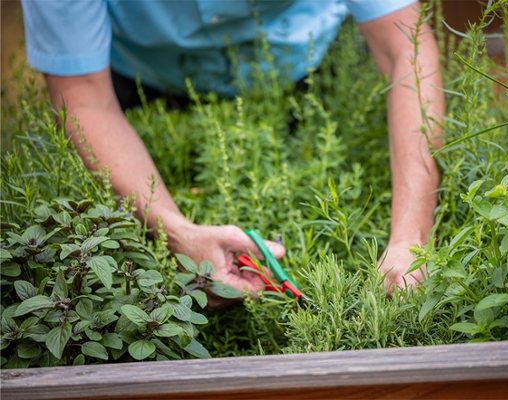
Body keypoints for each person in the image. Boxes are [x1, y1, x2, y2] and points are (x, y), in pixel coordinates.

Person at [21, 0, 444, 308]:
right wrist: (176, 232)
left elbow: (403, 46)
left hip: (309, 57)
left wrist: (411, 239)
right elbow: (83, 97)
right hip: (138, 73)